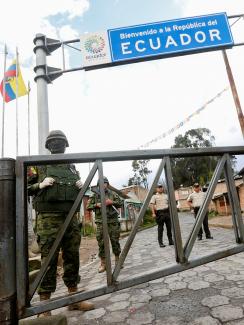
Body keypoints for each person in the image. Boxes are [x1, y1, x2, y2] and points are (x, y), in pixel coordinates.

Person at [27, 130, 94, 317]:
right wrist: (39, 185)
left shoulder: (71, 167)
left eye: (60, 141)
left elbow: (78, 191)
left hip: (70, 218)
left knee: (72, 257)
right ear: (48, 146)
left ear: (66, 145)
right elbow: (24, 188)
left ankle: (74, 299)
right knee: (48, 260)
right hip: (48, 220)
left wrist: (83, 187)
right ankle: (44, 307)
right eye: (54, 142)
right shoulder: (38, 166)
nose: (57, 144)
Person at [86, 177, 123, 273]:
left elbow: (120, 203)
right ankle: (103, 263)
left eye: (105, 183)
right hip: (101, 222)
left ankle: (118, 261)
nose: (103, 185)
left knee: (115, 241)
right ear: (98, 185)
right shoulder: (94, 195)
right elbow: (88, 207)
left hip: (112, 221)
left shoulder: (113, 194)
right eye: (101, 183)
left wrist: (112, 202)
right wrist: (96, 205)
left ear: (107, 184)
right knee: (101, 243)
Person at [150, 183, 174, 247]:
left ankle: (170, 241)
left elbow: (170, 203)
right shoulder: (154, 196)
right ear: (156, 189)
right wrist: (153, 213)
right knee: (160, 229)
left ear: (162, 188)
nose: (160, 188)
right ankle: (160, 243)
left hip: (167, 212)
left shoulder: (166, 196)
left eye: (161, 187)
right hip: (159, 213)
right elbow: (151, 205)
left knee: (169, 227)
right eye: (159, 187)